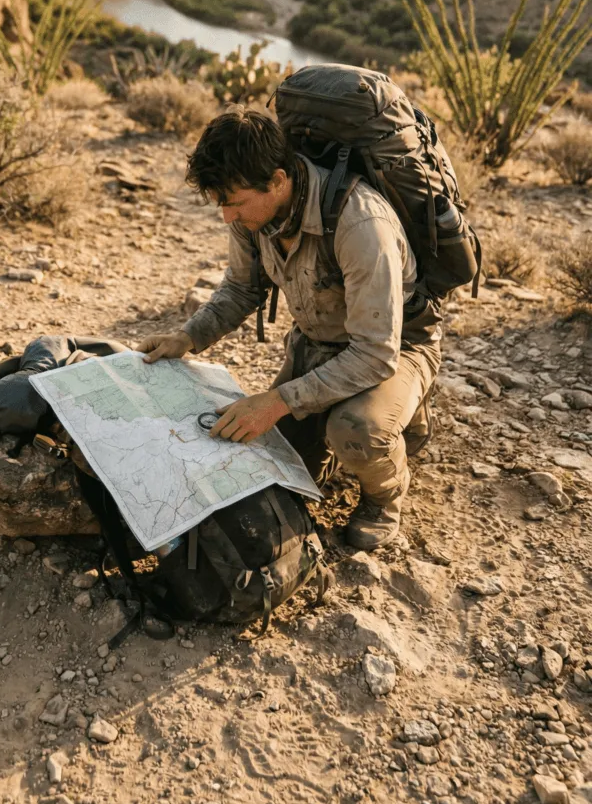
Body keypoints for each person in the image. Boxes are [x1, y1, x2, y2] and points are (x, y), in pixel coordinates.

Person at [138, 105, 441, 550]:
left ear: (278, 180)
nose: (226, 216)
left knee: (355, 431)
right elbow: (241, 289)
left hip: (396, 348)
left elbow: (376, 352)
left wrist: (280, 400)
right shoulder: (251, 212)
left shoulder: (360, 223)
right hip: (317, 346)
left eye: (234, 203)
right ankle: (373, 419)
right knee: (274, 467)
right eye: (221, 203)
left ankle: (385, 494)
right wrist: (188, 336)